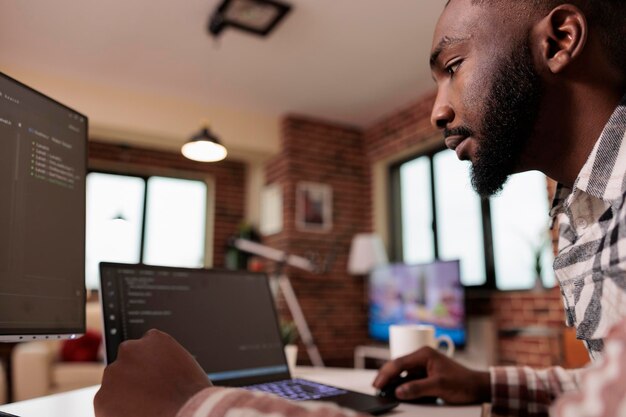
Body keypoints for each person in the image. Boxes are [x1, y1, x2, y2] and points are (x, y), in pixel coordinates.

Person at [94, 0, 626, 416]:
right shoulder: (585, 205)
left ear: (560, 40)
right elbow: (610, 385)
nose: (439, 110)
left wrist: (193, 407)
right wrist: (481, 381)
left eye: (454, 66)